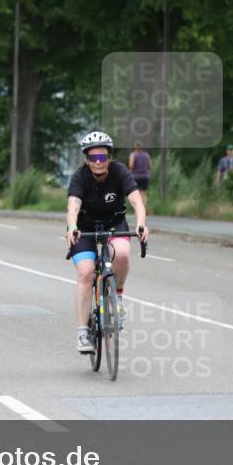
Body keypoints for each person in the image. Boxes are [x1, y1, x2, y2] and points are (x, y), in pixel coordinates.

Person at [65, 131, 149, 353]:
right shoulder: (80, 177)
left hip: (114, 223)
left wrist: (141, 224)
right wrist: (72, 227)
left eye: (102, 157)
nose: (98, 162)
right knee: (85, 273)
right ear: (87, 160)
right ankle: (83, 333)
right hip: (84, 228)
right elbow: (73, 207)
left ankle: (117, 297)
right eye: (93, 158)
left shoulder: (119, 171)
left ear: (109, 158)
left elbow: (137, 202)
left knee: (121, 253)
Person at [128, 141, 151, 206]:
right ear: (142, 147)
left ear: (135, 147)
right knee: (143, 193)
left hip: (135, 176)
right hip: (145, 176)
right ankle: (143, 208)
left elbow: (131, 166)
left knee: (135, 193)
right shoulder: (146, 155)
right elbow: (150, 166)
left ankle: (137, 208)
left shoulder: (133, 155)